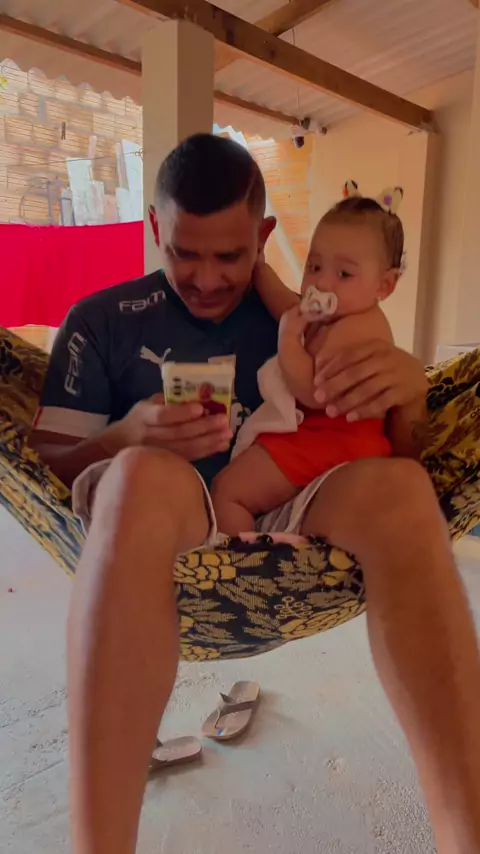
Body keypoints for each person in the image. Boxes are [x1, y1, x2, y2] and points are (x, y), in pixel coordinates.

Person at [30, 133, 480, 854]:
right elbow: (46, 468)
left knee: (405, 491)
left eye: (231, 257)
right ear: (154, 226)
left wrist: (410, 392)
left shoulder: (310, 316)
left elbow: (403, 449)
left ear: (265, 238)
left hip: (290, 497)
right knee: (139, 476)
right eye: (184, 253)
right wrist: (126, 436)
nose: (207, 279)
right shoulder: (100, 322)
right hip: (160, 510)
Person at [212, 183, 401, 535]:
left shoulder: (359, 329)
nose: (322, 282)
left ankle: (243, 563)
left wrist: (287, 339)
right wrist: (260, 269)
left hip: (336, 441)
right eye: (313, 266)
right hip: (328, 438)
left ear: (385, 285)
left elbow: (314, 392)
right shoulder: (338, 315)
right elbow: (287, 305)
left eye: (344, 274)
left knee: (228, 492)